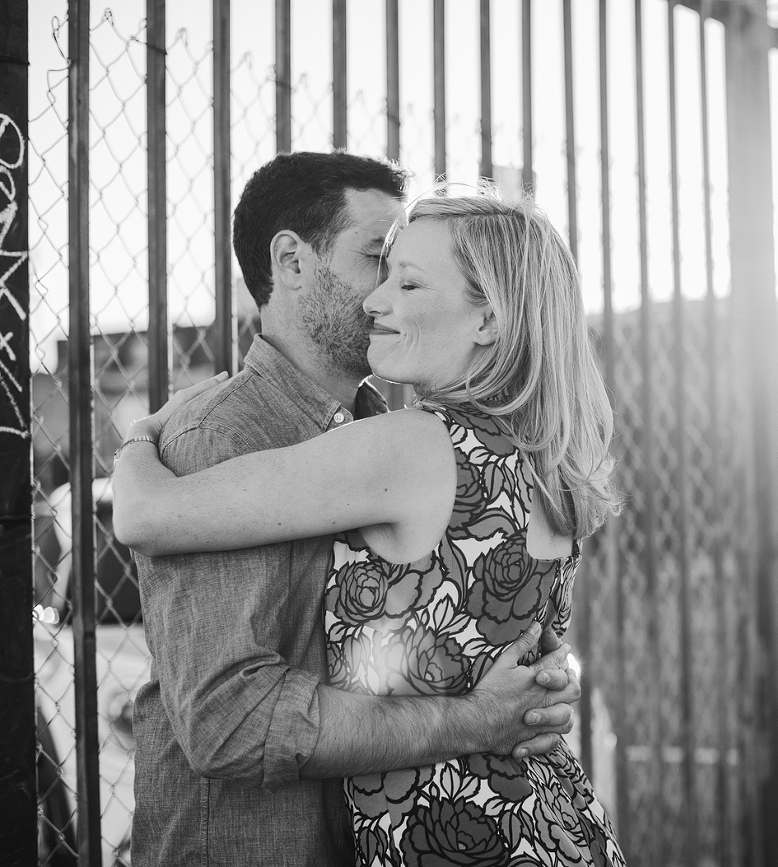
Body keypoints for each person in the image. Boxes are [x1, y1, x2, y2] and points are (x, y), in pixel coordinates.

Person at [114, 191, 626, 866]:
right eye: (382, 271)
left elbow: (146, 515)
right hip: (554, 821)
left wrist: (139, 439)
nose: (376, 302)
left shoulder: (405, 448)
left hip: (455, 836)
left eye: (408, 282)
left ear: (490, 319)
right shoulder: (548, 464)